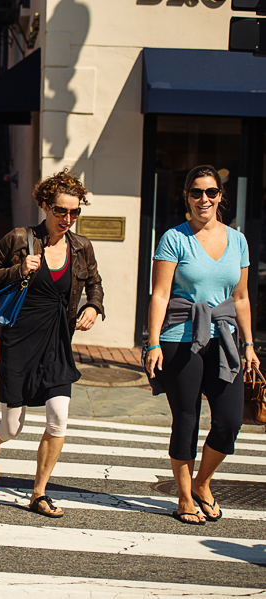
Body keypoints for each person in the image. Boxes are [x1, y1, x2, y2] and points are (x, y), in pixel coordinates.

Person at [0, 169, 104, 518]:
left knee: (58, 418)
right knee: (13, 426)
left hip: (58, 340)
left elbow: (94, 282)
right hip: (19, 340)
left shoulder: (81, 247)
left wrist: (94, 305)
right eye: (61, 211)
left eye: (75, 212)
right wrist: (19, 270)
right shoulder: (19, 239)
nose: (68, 219)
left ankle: (39, 493)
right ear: (46, 206)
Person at [145, 165, 258, 525]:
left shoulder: (237, 240)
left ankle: (202, 483)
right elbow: (160, 295)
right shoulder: (174, 238)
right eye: (196, 192)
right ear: (186, 196)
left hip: (224, 337)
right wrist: (152, 343)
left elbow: (240, 298)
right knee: (187, 419)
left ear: (221, 196)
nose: (203, 199)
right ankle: (183, 497)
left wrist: (250, 344)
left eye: (211, 192)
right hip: (179, 337)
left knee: (229, 420)